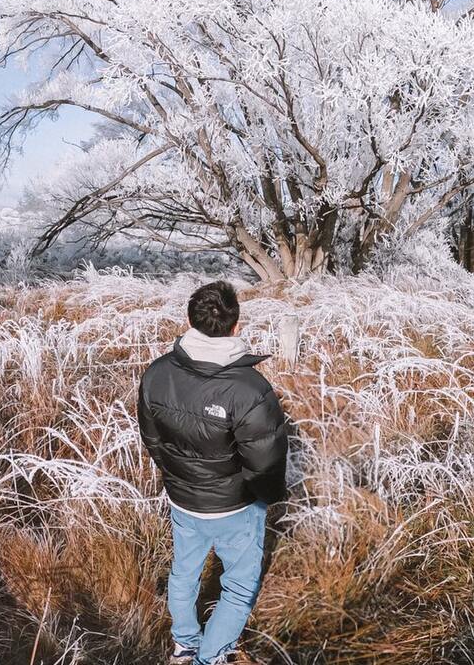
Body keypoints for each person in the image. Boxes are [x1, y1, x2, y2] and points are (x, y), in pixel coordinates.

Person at [138, 280, 289, 665]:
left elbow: (152, 439)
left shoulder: (157, 373)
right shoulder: (250, 389)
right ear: (236, 326)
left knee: (184, 573)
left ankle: (185, 645)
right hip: (236, 507)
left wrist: (177, 476)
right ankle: (211, 657)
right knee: (238, 587)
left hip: (183, 499)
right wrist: (266, 499)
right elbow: (266, 462)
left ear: (189, 320)